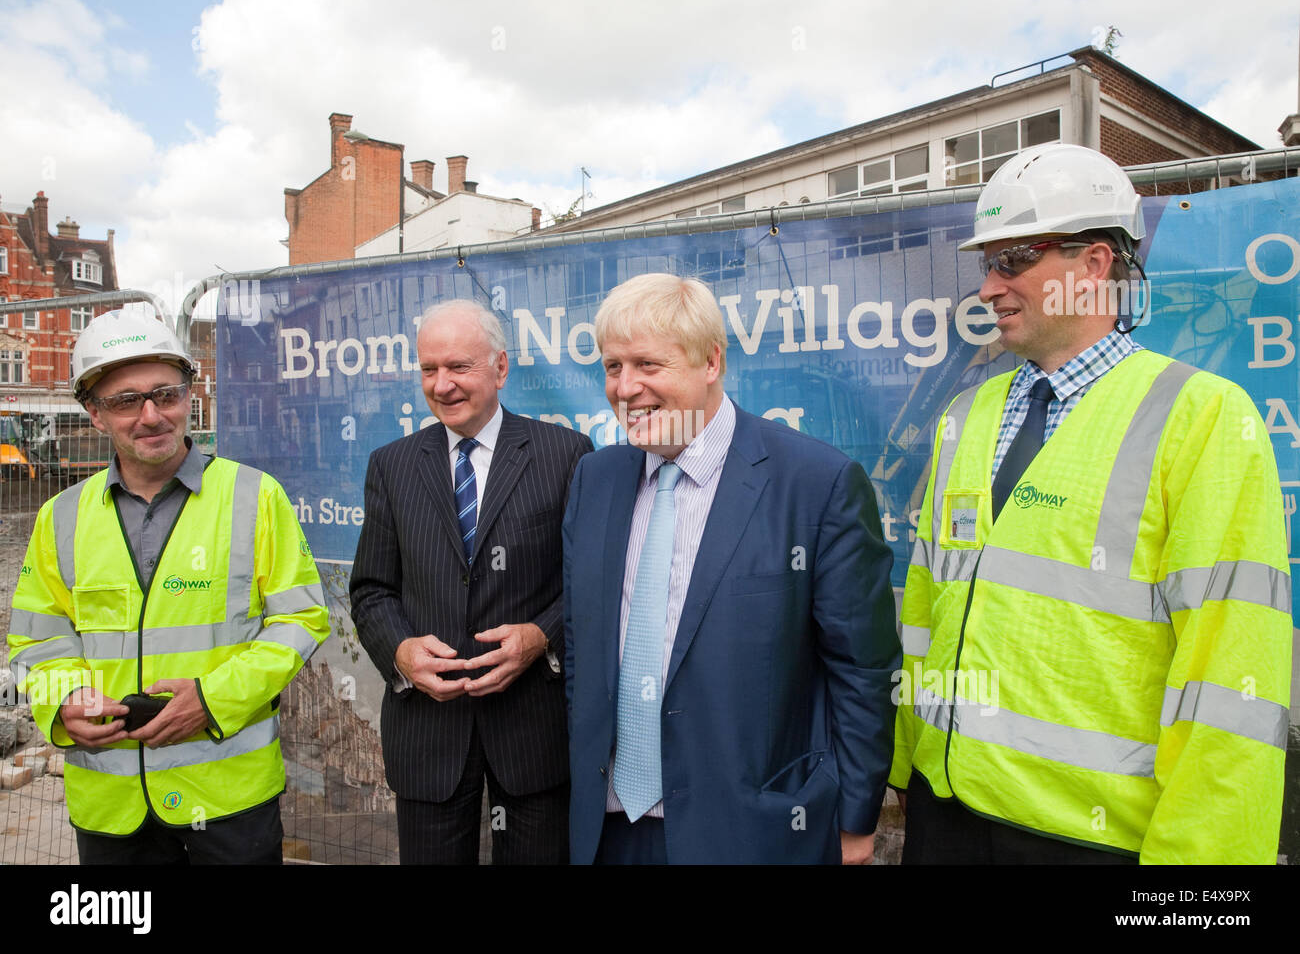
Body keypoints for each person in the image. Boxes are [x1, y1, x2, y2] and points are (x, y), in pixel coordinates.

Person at [892, 143, 1292, 864]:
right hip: (943, 815)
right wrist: (900, 771)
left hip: (1091, 839)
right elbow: (925, 609)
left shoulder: (1200, 418)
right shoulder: (965, 416)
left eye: (1012, 260)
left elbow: (1233, 674)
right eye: (987, 263)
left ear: (1094, 264)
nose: (988, 287)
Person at [563, 273, 899, 864]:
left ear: (711, 360)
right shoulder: (595, 480)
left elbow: (862, 669)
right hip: (609, 831)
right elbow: (582, 645)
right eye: (612, 367)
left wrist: (853, 818)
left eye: (647, 364)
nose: (626, 387)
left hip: (754, 834)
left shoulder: (815, 484)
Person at [7, 309, 328, 864]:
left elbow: (300, 620)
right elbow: (38, 641)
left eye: (165, 394)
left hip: (229, 798)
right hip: (111, 803)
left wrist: (211, 700)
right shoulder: (60, 518)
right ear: (95, 413)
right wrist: (62, 705)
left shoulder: (254, 496)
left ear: (188, 396)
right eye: (126, 400)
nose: (151, 415)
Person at [351, 299, 592, 864]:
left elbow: (591, 580)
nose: (442, 384)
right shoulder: (393, 465)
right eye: (429, 369)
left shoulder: (565, 454)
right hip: (428, 732)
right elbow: (371, 589)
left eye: (458, 367)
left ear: (500, 368)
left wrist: (541, 636)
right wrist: (403, 652)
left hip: (533, 729)